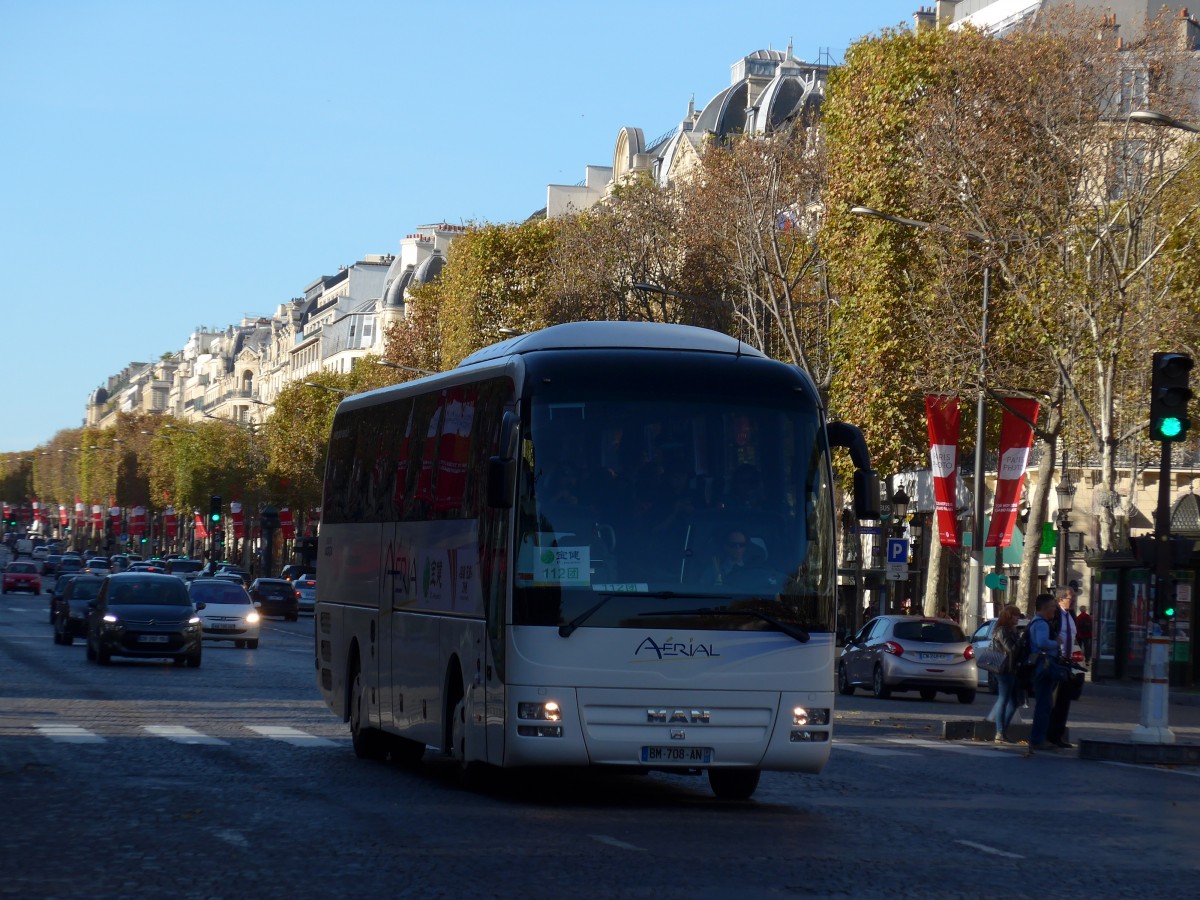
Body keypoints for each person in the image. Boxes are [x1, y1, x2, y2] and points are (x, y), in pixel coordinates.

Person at [1025, 592, 1062, 755]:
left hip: (1040, 666)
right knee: (1044, 704)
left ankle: (1038, 738)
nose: (1055, 609)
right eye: (1053, 606)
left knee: (1045, 703)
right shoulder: (1041, 624)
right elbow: (1042, 643)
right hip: (1044, 666)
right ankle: (1038, 739)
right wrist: (1056, 643)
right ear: (1046, 608)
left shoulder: (1037, 622)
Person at [1046, 584, 1079, 750]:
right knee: (1054, 700)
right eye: (1069, 597)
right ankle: (1049, 735)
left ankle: (1058, 736)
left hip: (1068, 662)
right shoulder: (1055, 614)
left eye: (1073, 596)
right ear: (1060, 599)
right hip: (1056, 661)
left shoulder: (1071, 615)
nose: (1072, 600)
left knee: (1064, 701)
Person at [988, 604, 1023, 744]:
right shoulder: (1002, 631)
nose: (1018, 618)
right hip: (1004, 669)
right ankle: (1000, 732)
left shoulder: (1012, 630)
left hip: (1012, 669)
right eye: (1015, 615)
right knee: (1004, 699)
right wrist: (1021, 641)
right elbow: (1010, 649)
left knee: (1014, 701)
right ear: (1008, 616)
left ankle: (1003, 731)